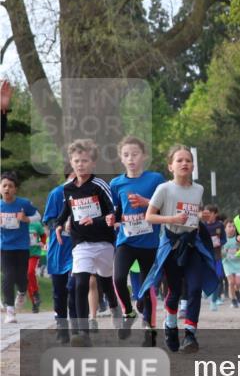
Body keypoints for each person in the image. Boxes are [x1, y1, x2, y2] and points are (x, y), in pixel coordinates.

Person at [139, 145, 219, 353]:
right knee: (174, 291)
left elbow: (191, 213)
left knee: (194, 288)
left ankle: (190, 335)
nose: (184, 163)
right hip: (171, 245)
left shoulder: (198, 189)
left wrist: (201, 217)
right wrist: (172, 219)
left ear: (193, 165)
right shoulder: (164, 189)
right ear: (170, 166)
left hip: (192, 244)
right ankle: (170, 326)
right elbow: (149, 216)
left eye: (188, 160)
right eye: (179, 160)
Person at [55, 139, 118, 346]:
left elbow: (113, 211)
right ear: (71, 163)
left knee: (106, 283)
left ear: (92, 164)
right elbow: (67, 210)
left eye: (85, 161)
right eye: (76, 161)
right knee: (79, 284)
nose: (80, 164)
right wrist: (58, 224)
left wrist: (97, 220)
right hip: (81, 243)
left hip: (103, 242)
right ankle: (83, 333)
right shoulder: (68, 189)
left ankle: (116, 310)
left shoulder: (100, 185)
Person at [108, 136, 165, 343]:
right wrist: (111, 217)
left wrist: (146, 203)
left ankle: (150, 331)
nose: (130, 158)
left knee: (147, 288)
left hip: (150, 243)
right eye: (126, 155)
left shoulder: (155, 179)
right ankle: (128, 312)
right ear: (121, 159)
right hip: (126, 241)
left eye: (135, 154)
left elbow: (166, 205)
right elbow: (116, 210)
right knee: (118, 278)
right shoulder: (116, 183)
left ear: (144, 156)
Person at [1, 171, 40, 324]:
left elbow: (38, 216)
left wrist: (26, 219)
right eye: (4, 186)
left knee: (22, 278)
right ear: (0, 188)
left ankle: (22, 292)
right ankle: (10, 311)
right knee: (7, 277)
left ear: (15, 189)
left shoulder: (23, 203)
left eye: (10, 186)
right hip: (4, 247)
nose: (7, 189)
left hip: (22, 247)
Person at [44, 172, 76, 342]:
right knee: (60, 291)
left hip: (78, 249)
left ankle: (77, 327)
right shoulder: (57, 194)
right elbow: (48, 221)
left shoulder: (90, 193)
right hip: (59, 248)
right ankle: (62, 327)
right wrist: (63, 225)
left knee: (74, 286)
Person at [201, 204, 227, 310]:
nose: (207, 215)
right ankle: (205, 290)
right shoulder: (202, 225)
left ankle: (214, 301)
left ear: (215, 214)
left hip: (217, 256)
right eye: (205, 213)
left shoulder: (219, 225)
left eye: (210, 213)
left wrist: (219, 242)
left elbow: (224, 239)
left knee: (218, 277)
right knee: (204, 276)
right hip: (205, 256)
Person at [221, 219, 240, 308]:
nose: (232, 228)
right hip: (227, 263)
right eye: (229, 226)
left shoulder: (238, 238)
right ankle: (233, 300)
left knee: (238, 283)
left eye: (233, 226)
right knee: (231, 282)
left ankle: (236, 291)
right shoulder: (222, 240)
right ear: (225, 229)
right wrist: (222, 252)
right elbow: (219, 251)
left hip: (238, 263)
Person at [27, 217, 46, 313]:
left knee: (30, 272)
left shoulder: (36, 224)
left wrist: (42, 242)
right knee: (26, 279)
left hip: (34, 253)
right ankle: (34, 303)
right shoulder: (18, 223)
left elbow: (43, 235)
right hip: (21, 254)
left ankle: (36, 293)